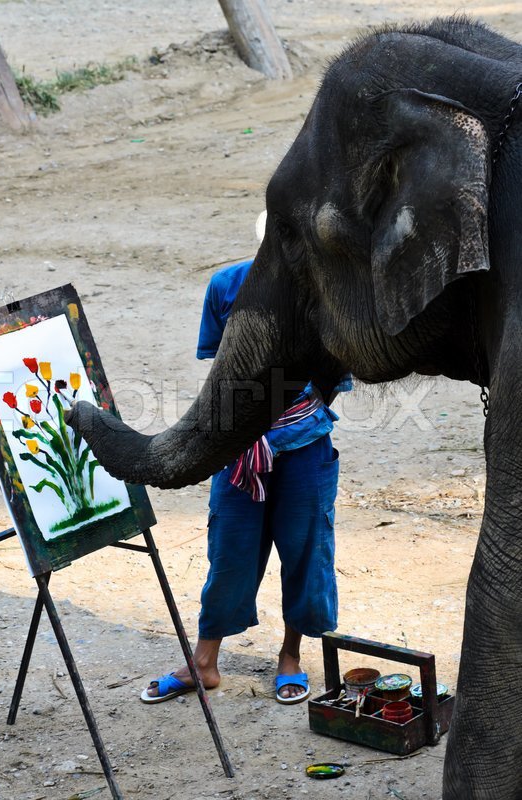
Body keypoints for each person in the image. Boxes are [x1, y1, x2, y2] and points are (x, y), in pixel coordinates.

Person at [142, 251, 350, 705]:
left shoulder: (330, 289)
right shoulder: (227, 285)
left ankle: (290, 657)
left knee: (306, 552)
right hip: (237, 445)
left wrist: (290, 417)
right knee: (230, 552)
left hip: (304, 445)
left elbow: (337, 369)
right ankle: (204, 663)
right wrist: (249, 426)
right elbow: (223, 365)